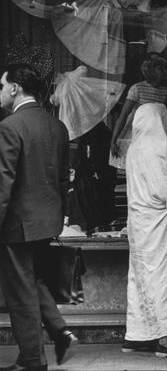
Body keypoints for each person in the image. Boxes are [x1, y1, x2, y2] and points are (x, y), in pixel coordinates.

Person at [0, 63, 78, 371]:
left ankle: (33, 360)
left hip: (17, 224)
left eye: (1, 86)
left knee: (21, 295)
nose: (0, 92)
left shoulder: (9, 127)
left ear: (16, 88)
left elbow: (3, 184)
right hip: (48, 221)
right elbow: (62, 180)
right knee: (35, 282)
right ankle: (61, 332)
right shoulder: (56, 126)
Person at [122, 103, 167, 357]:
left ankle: (135, 336)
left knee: (140, 281)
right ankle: (165, 339)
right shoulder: (154, 146)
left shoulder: (134, 147)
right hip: (156, 225)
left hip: (139, 223)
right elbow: (161, 189)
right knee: (161, 279)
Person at [109, 52, 167, 169]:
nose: (165, 72)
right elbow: (123, 115)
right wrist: (114, 140)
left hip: (155, 138)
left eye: (165, 69)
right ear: (151, 71)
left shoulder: (165, 92)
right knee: (135, 170)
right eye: (160, 69)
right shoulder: (137, 89)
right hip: (135, 135)